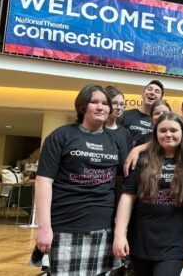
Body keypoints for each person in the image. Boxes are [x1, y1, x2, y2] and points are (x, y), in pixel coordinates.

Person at [35, 84, 124, 275]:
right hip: (65, 224)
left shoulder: (115, 140)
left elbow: (120, 182)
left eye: (105, 103)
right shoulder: (61, 135)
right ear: (83, 106)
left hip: (103, 226)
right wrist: (44, 227)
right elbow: (43, 181)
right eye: (94, 102)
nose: (101, 107)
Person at [113, 113, 183, 276]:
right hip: (141, 240)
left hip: (175, 244)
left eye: (173, 130)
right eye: (163, 130)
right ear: (155, 134)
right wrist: (120, 234)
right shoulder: (142, 159)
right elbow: (127, 196)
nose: (168, 134)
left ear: (182, 133)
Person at [120, 80, 164, 144]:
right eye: (149, 89)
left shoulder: (160, 122)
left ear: (160, 100)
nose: (152, 92)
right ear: (142, 94)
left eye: (157, 92)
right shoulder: (125, 115)